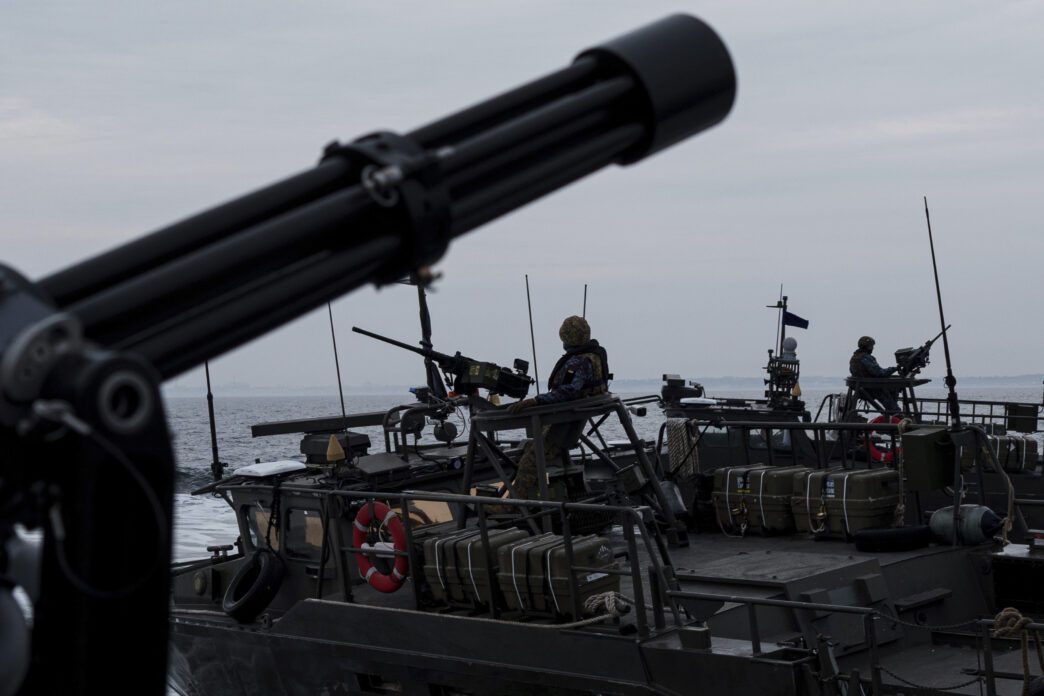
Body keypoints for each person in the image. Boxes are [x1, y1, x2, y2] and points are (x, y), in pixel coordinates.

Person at [499, 315, 609, 503]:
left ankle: (514, 506)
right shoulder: (594, 356)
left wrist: (535, 401)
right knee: (527, 448)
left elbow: (567, 392)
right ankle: (531, 500)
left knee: (530, 461)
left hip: (563, 425)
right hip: (570, 422)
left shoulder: (578, 362)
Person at [849, 335, 901, 416]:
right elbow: (880, 373)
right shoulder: (866, 358)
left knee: (890, 389)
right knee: (893, 388)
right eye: (871, 346)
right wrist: (894, 369)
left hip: (862, 389)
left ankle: (892, 415)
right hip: (871, 388)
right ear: (868, 347)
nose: (872, 348)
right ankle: (896, 415)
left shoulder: (854, 358)